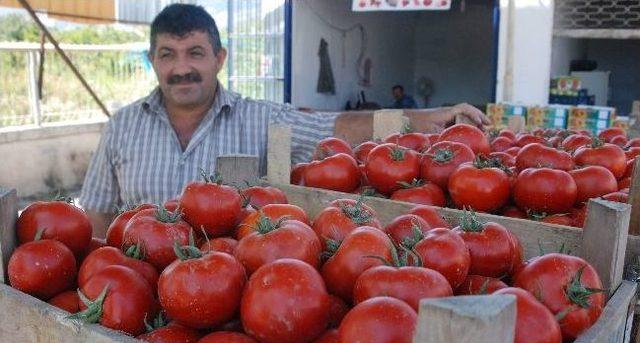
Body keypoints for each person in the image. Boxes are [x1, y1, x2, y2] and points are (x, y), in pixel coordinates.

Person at [79, 4, 489, 237]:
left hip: (226, 292)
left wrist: (427, 116)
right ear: (152, 61)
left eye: (195, 53)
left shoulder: (259, 116)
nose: (181, 68)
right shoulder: (123, 126)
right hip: (136, 293)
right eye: (168, 54)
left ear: (219, 59)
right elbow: (96, 214)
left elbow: (335, 127)